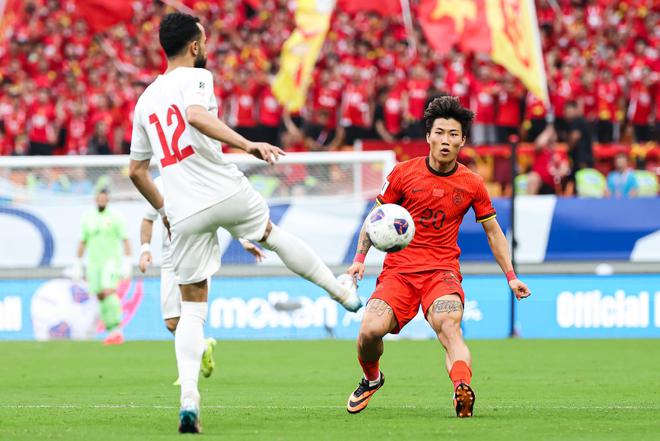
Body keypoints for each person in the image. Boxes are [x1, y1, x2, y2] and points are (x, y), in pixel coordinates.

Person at [127, 12, 361, 433]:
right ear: (194, 46)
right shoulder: (198, 77)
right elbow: (196, 116)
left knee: (192, 310)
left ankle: (189, 399)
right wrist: (248, 144)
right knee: (272, 236)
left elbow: (136, 172)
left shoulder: (145, 101)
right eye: (204, 40)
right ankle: (341, 292)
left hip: (183, 212)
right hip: (223, 189)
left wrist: (163, 211)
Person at [344, 96, 531, 418]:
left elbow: (494, 233)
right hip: (399, 272)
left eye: (453, 134)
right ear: (428, 135)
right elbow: (375, 220)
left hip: (441, 273)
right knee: (369, 331)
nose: (446, 140)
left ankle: (462, 388)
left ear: (463, 140)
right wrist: (360, 258)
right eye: (440, 132)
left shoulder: (472, 183)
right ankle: (372, 379)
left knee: (449, 327)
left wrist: (511, 277)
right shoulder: (403, 174)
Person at [138, 176, 267, 383]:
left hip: (199, 253)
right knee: (171, 322)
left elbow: (221, 215)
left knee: (191, 314)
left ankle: (186, 375)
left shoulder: (198, 178)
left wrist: (243, 240)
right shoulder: (159, 183)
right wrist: (145, 249)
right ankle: (203, 347)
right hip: (170, 259)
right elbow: (147, 218)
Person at [73, 188, 132, 345]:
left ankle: (117, 329)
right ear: (95, 199)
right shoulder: (88, 217)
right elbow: (82, 241)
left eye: (104, 198)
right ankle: (111, 330)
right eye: (99, 198)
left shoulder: (115, 217)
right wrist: (77, 263)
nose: (101, 201)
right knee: (100, 295)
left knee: (108, 292)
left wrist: (127, 262)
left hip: (111, 262)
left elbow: (125, 240)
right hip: (94, 264)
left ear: (108, 199)